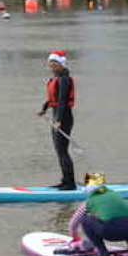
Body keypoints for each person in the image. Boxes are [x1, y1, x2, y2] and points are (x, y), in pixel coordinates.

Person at [58, 173, 128, 256]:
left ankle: (103, 253)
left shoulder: (88, 202)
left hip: (113, 231)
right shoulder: (114, 195)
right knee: (126, 220)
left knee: (86, 220)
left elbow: (73, 223)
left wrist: (75, 237)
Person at [36, 49, 76, 190]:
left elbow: (63, 100)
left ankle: (70, 184)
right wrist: (44, 108)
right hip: (56, 117)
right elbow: (53, 99)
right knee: (59, 150)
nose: (52, 66)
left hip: (64, 117)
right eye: (50, 63)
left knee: (63, 150)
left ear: (61, 64)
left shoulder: (64, 79)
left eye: (55, 63)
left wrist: (58, 120)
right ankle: (65, 180)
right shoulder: (55, 78)